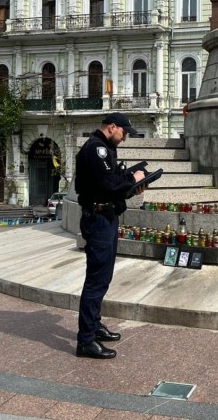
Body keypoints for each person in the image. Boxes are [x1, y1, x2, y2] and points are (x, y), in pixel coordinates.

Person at [74, 112, 146, 359]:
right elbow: (108, 185)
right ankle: (86, 341)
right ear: (112, 127)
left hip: (106, 216)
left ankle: (94, 326)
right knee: (96, 280)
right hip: (98, 219)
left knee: (102, 278)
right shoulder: (97, 150)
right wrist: (131, 180)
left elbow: (112, 184)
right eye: (124, 133)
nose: (124, 138)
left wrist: (132, 185)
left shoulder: (104, 148)